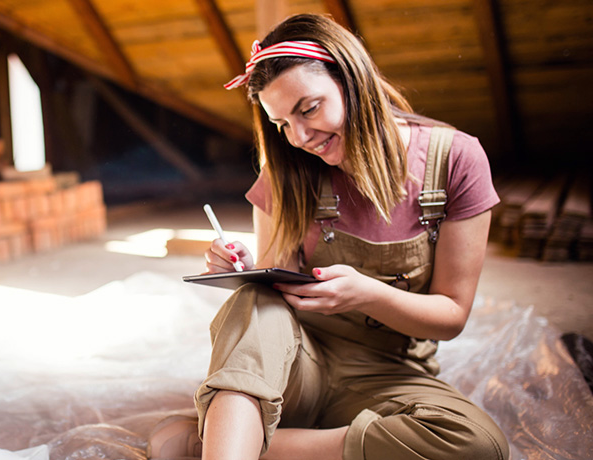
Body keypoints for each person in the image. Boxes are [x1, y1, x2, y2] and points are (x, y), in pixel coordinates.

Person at [147, 13, 510, 460]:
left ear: (352, 81)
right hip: (299, 364)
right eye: (281, 124)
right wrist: (244, 268)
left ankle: (227, 442)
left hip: (388, 373)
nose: (299, 137)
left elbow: (451, 315)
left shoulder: (455, 159)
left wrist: (367, 294)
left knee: (478, 445)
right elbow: (272, 297)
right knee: (253, 302)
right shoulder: (285, 170)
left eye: (308, 108)